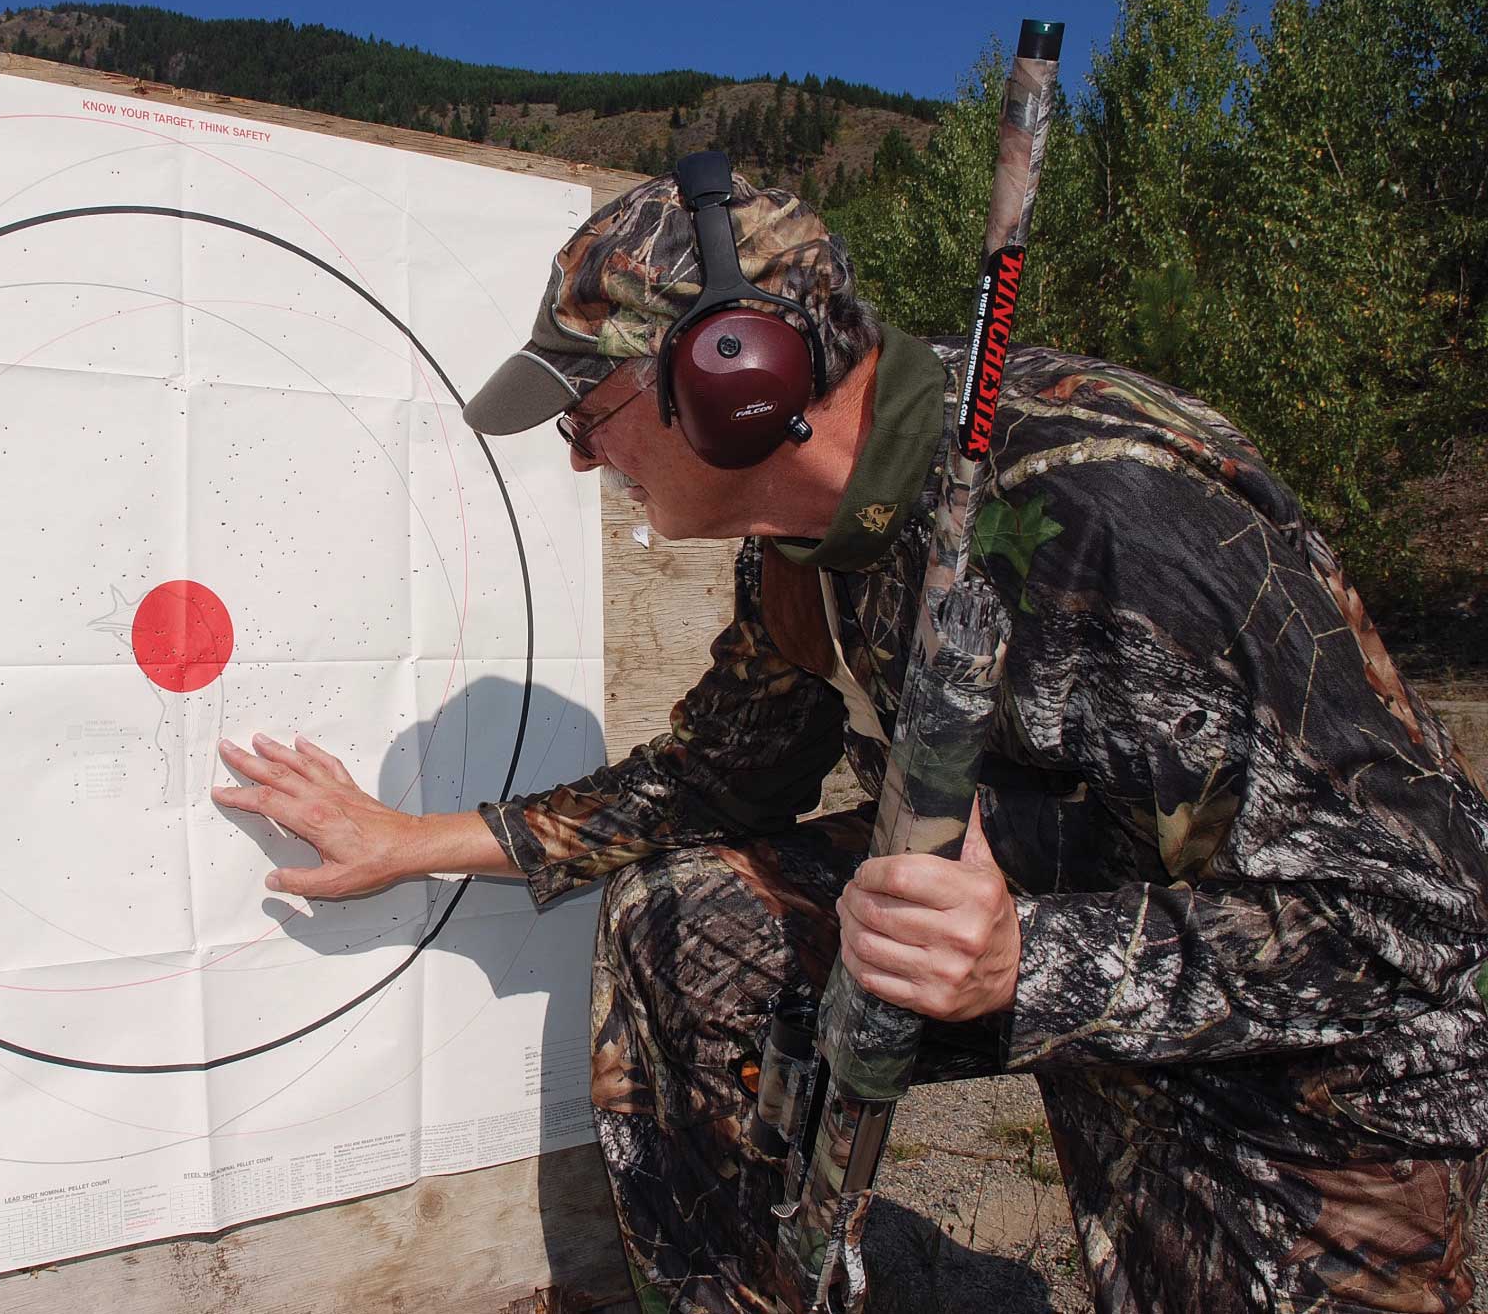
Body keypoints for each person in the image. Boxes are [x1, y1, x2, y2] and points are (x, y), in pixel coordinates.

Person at [210, 170, 1488, 1312]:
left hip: (1307, 1081)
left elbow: (1419, 925)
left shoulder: (1109, 514)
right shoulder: (801, 548)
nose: (581, 454)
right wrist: (411, 841)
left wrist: (1030, 962)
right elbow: (722, 775)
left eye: (587, 411)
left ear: (731, 372)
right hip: (1041, 953)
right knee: (688, 923)